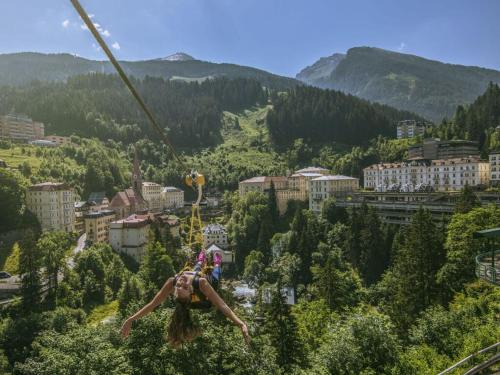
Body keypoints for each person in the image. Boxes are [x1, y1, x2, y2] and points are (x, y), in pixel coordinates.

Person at [120, 249, 250, 348]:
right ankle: (217, 262)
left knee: (196, 268)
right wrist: (240, 323)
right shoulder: (202, 284)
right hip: (206, 297)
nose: (182, 281)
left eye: (179, 285)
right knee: (216, 274)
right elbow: (222, 306)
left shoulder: (173, 281)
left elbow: (153, 304)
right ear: (191, 291)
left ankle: (200, 259)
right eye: (185, 286)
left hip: (195, 277)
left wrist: (131, 319)